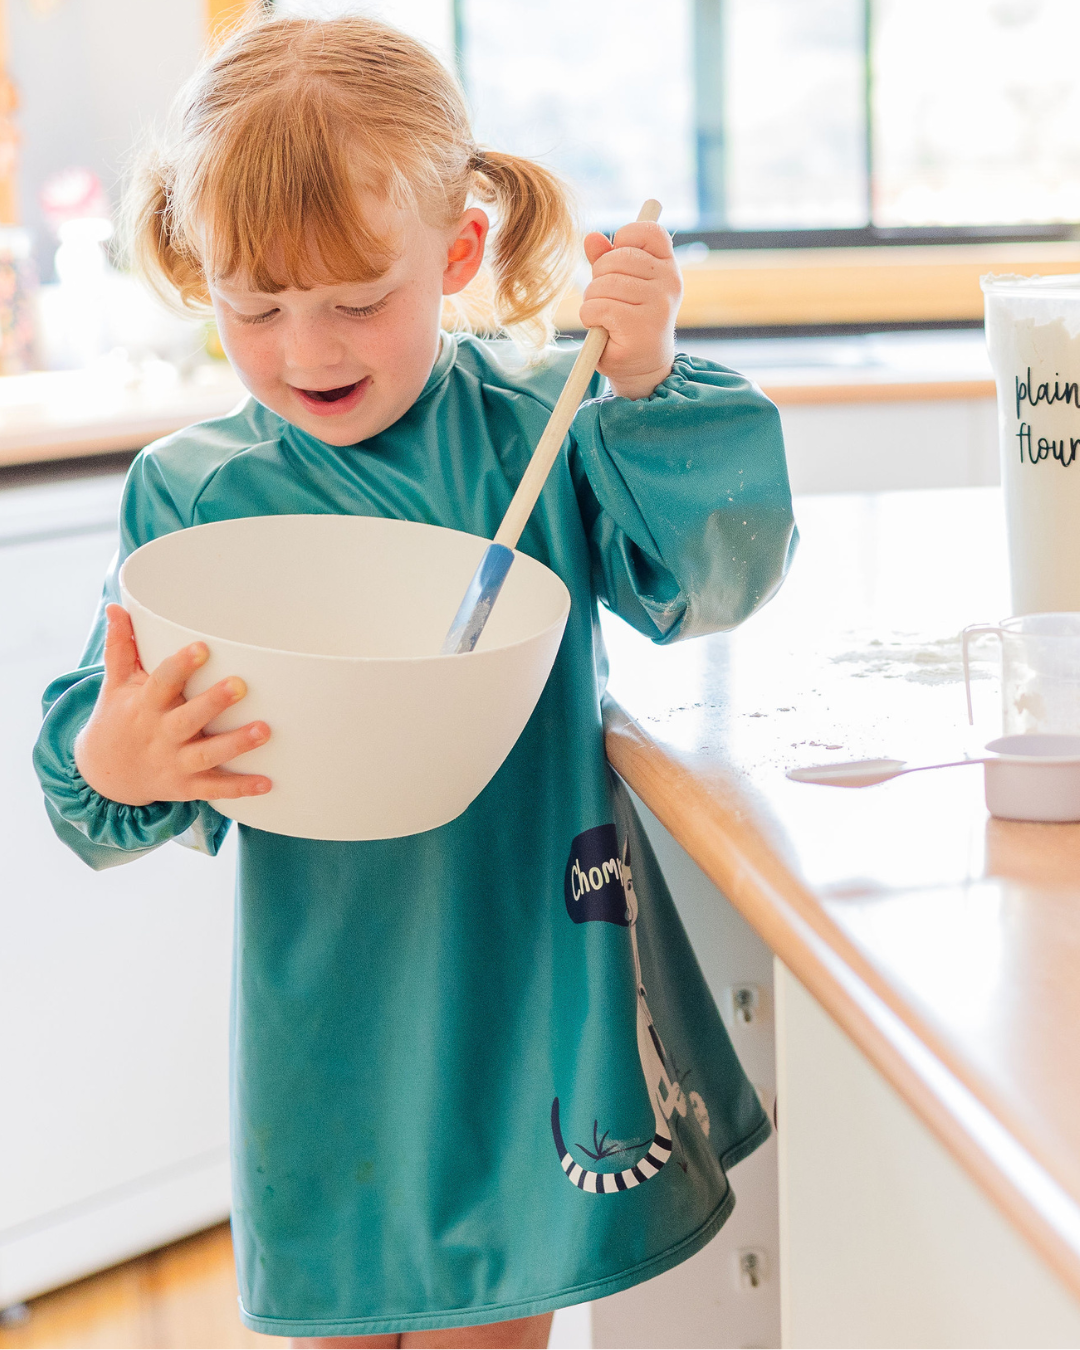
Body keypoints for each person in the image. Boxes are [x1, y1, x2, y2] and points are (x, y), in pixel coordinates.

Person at [33, 13, 797, 1349]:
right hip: (325, 1014)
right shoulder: (194, 493)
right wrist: (116, 763)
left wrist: (649, 377)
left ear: (455, 255)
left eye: (357, 299)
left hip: (527, 991)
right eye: (255, 305)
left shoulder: (541, 435)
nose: (307, 348)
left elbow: (715, 580)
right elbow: (102, 773)